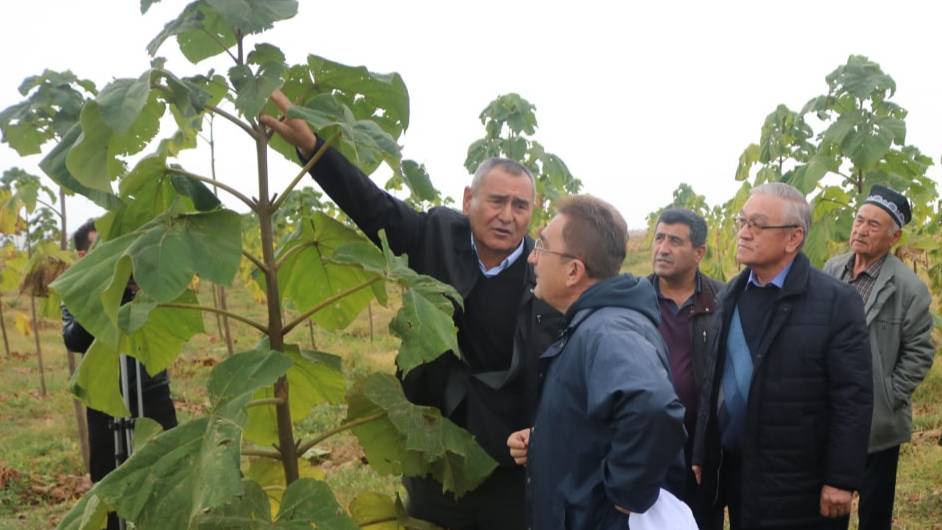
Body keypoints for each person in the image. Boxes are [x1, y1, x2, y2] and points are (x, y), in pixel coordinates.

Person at [262, 92, 563, 530]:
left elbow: (564, 362)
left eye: (520, 206)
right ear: (469, 200)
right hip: (434, 446)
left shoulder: (546, 273)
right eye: (497, 201)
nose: (507, 216)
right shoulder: (434, 234)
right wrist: (314, 149)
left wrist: (547, 431)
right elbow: (371, 206)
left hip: (510, 458)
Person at [692, 183, 872, 530]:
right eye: (742, 221)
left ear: (793, 238)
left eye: (757, 225)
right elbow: (713, 381)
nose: (744, 233)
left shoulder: (835, 301)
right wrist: (704, 449)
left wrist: (841, 478)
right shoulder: (729, 296)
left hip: (800, 480)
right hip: (740, 474)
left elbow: (853, 396)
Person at [509, 195, 687, 530]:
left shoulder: (607, 329)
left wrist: (628, 491)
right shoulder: (595, 324)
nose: (533, 257)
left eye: (542, 246)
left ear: (573, 271)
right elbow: (601, 423)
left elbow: (652, 405)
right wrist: (548, 438)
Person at [823, 185, 936, 530]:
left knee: (874, 511)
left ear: (894, 236)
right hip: (831, 409)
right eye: (859, 220)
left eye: (874, 225)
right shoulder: (832, 269)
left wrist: (888, 394)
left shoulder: (908, 288)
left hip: (878, 420)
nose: (861, 229)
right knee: (828, 508)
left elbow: (920, 352)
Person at [61, 219, 178, 530]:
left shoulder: (144, 280)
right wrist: (105, 295)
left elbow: (169, 319)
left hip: (151, 391)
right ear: (83, 256)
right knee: (109, 483)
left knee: (167, 474)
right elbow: (73, 339)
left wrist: (138, 292)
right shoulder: (75, 288)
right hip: (105, 398)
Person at [648, 207, 725, 529]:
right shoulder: (635, 299)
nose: (663, 248)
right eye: (659, 238)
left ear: (699, 253)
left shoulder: (722, 300)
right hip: (647, 442)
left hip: (701, 447)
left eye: (675, 241)